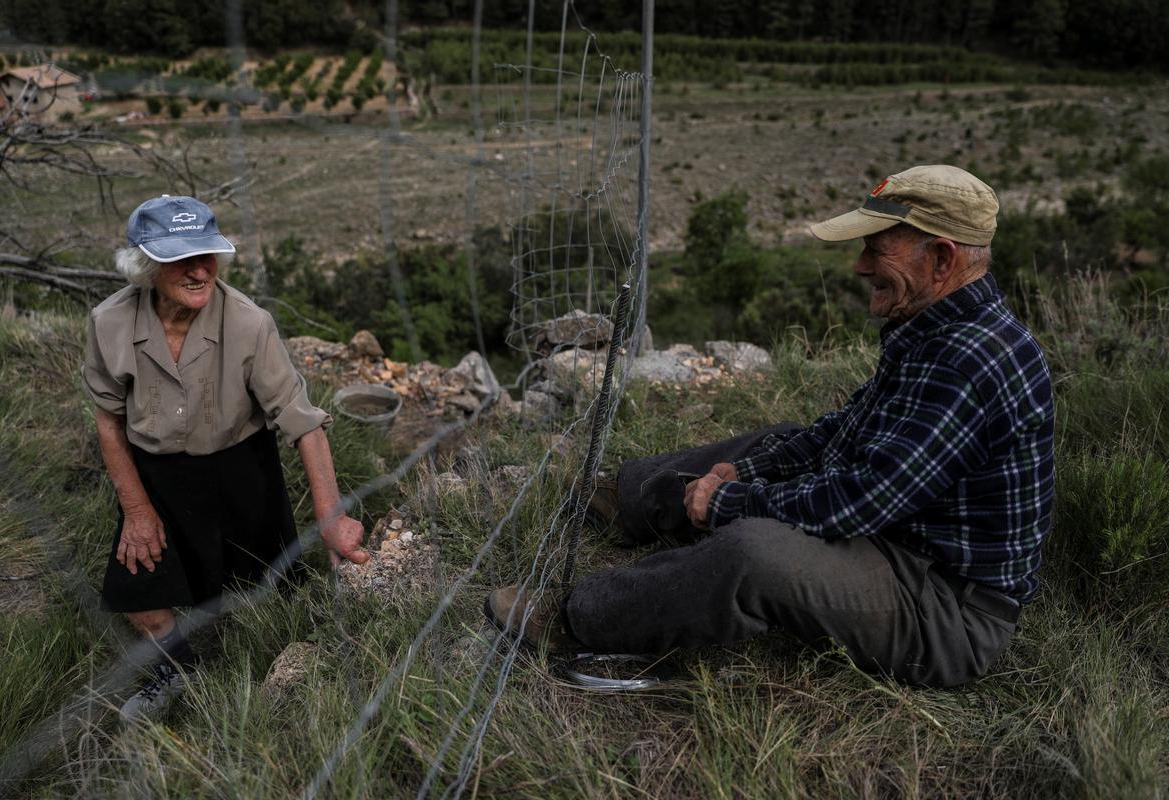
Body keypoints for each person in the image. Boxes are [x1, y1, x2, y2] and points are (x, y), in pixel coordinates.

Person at [486, 165, 1055, 688]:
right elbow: (840, 436)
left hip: (944, 609)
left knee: (755, 554)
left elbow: (858, 501)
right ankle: (631, 501)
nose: (860, 266)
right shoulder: (937, 327)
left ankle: (577, 620)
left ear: (942, 259)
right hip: (901, 545)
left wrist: (732, 500)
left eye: (878, 250)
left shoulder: (969, 363)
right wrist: (745, 472)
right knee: (781, 440)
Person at [82, 195, 370, 720]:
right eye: (179, 258)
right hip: (158, 475)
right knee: (139, 586)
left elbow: (302, 422)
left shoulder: (249, 323)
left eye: (206, 254)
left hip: (241, 466)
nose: (198, 271)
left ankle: (292, 672)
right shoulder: (109, 323)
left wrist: (331, 518)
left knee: (272, 589)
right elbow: (108, 419)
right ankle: (178, 671)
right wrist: (137, 510)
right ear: (146, 266)